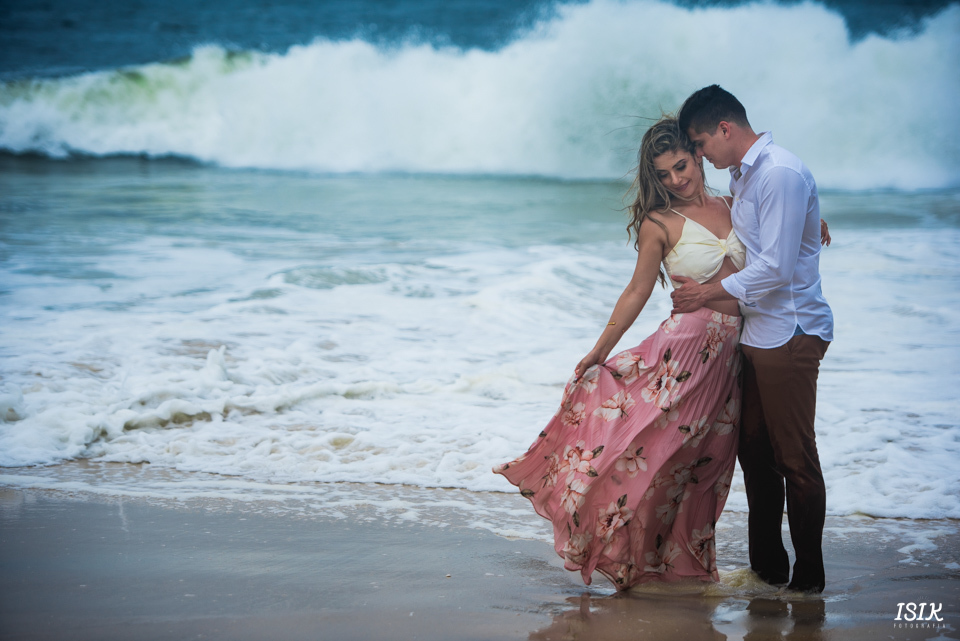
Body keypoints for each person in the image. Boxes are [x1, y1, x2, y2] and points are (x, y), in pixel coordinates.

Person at [493, 117, 748, 591]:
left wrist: (809, 219)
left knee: (703, 470)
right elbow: (636, 291)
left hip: (731, 360)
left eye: (682, 166)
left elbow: (774, 245)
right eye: (665, 174)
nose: (676, 179)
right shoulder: (660, 223)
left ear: (697, 156)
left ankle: (678, 568)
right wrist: (598, 351)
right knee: (650, 458)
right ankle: (616, 548)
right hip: (682, 358)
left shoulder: (737, 205)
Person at [672, 85, 834, 594]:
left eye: (699, 144)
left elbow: (777, 267)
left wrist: (707, 295)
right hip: (758, 332)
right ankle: (768, 569)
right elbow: (760, 234)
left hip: (789, 332)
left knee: (794, 457)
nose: (699, 156)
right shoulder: (747, 176)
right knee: (755, 451)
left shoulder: (779, 171)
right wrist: (812, 218)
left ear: (725, 129)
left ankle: (808, 579)